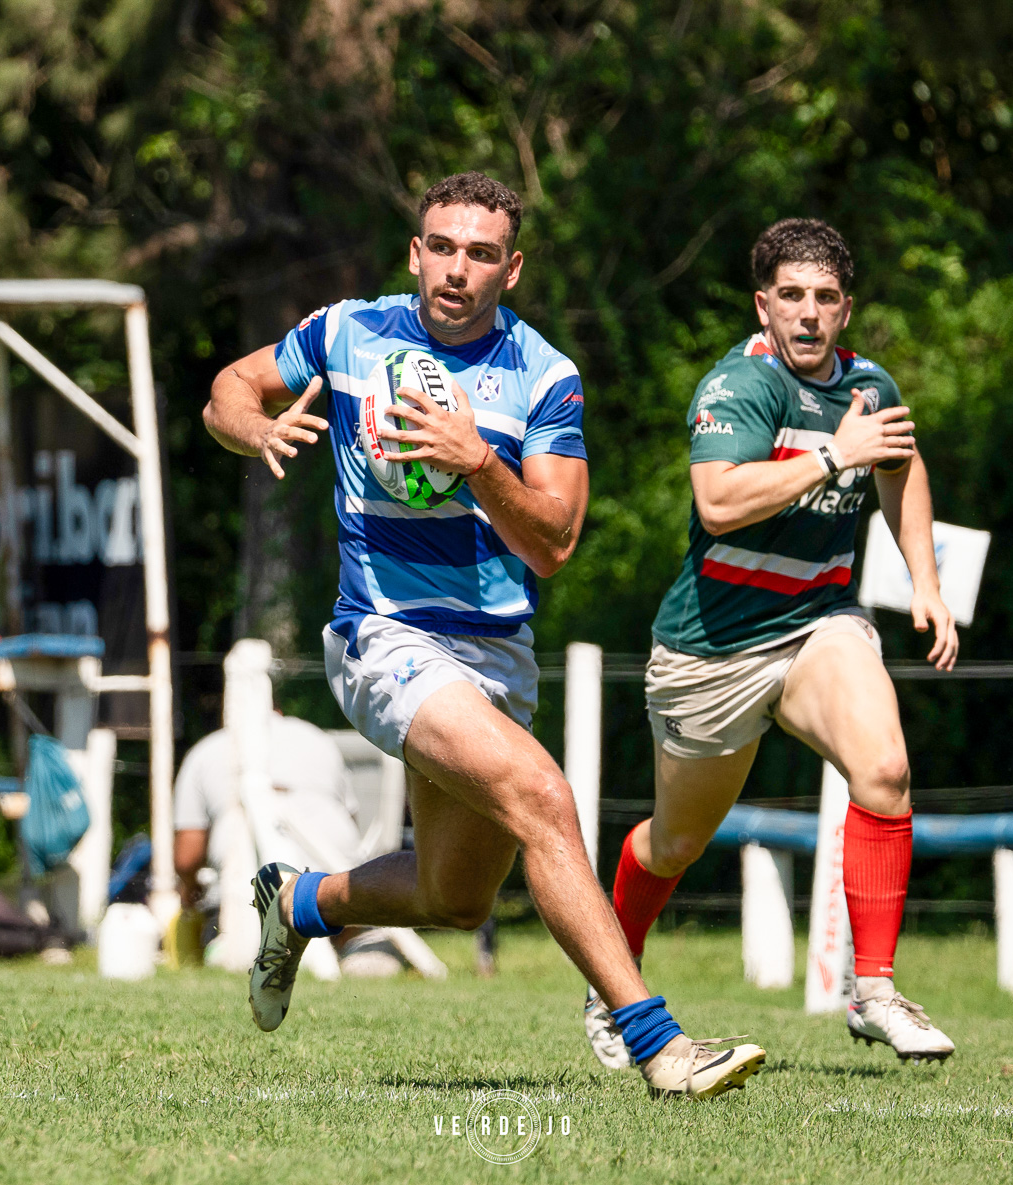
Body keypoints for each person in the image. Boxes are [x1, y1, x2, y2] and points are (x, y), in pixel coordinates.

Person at [203, 171, 765, 1098]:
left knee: (455, 895)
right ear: (416, 252)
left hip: (492, 654)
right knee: (543, 793)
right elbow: (231, 385)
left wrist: (479, 465)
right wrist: (250, 425)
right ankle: (659, 1044)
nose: (456, 269)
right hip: (381, 636)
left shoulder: (545, 375)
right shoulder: (349, 331)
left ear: (512, 268)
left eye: (481, 253)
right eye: (443, 247)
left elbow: (554, 541)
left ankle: (297, 899)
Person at [587, 218, 960, 1067]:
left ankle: (875, 990)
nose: (808, 314)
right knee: (674, 843)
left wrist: (926, 584)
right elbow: (718, 502)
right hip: (710, 652)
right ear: (764, 305)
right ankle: (614, 979)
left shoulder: (869, 386)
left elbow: (901, 465)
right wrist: (836, 454)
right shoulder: (740, 385)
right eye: (791, 296)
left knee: (887, 769)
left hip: (816, 626)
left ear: (846, 309)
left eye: (825, 298)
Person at [170, 713, 374, 966]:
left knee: (230, 946)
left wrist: (189, 889)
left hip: (251, 886)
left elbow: (186, 858)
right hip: (335, 875)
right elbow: (350, 821)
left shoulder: (205, 750)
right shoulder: (317, 737)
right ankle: (356, 952)